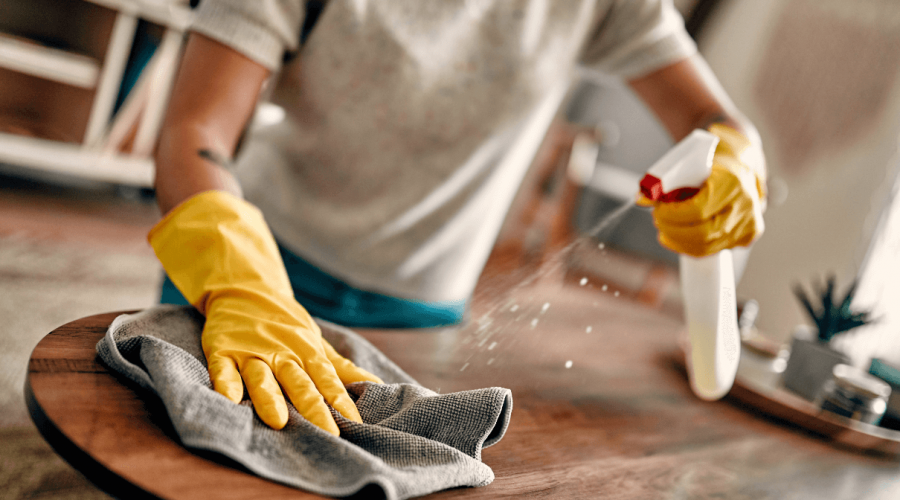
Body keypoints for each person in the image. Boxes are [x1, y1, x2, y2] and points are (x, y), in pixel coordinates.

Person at [150, 0, 766, 435]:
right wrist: (243, 285)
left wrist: (737, 159)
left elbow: (717, 120)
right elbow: (195, 128)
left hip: (422, 319)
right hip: (244, 277)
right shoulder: (241, 283)